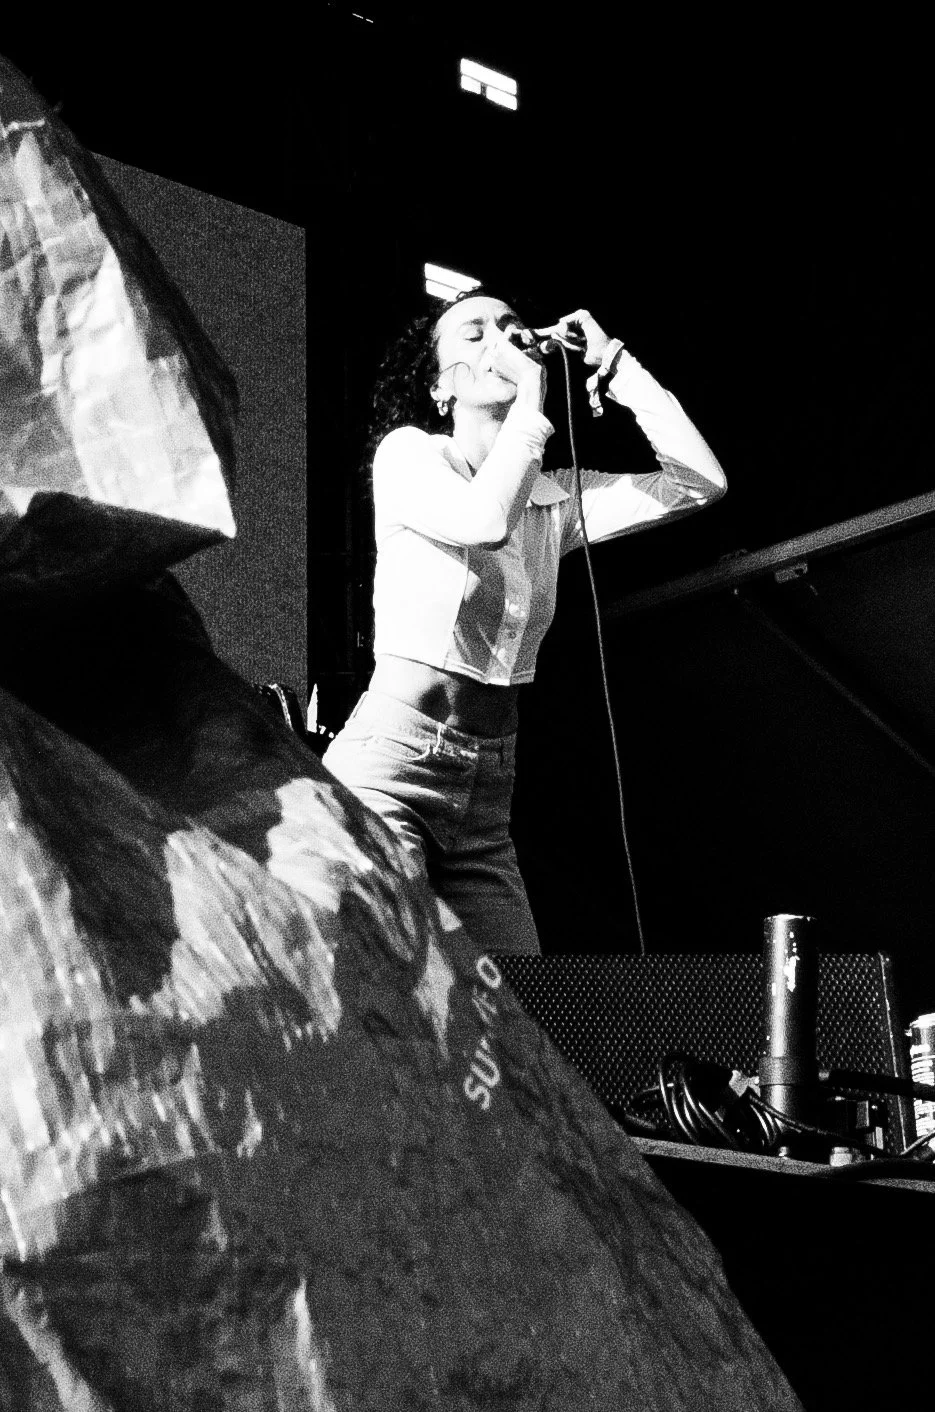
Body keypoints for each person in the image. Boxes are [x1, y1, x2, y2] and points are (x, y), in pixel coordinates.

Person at [322, 291, 727, 955]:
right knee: (386, 991)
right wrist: (535, 389)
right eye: (473, 334)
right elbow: (483, 520)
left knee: (520, 1010)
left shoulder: (555, 499)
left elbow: (698, 484)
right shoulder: (410, 457)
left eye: (510, 329)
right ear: (438, 386)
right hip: (393, 764)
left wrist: (616, 365)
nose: (501, 342)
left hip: (485, 791)